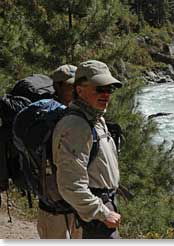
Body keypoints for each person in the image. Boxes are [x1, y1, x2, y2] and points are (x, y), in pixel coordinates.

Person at [53, 60, 123, 239]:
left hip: (100, 209)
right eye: (99, 88)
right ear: (79, 90)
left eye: (109, 89)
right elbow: (70, 186)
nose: (106, 94)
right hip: (94, 215)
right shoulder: (76, 126)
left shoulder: (95, 119)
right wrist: (102, 213)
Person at [36, 64, 83, 239]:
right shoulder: (47, 116)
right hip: (53, 204)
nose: (75, 90)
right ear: (57, 86)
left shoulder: (82, 115)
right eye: (70, 86)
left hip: (78, 203)